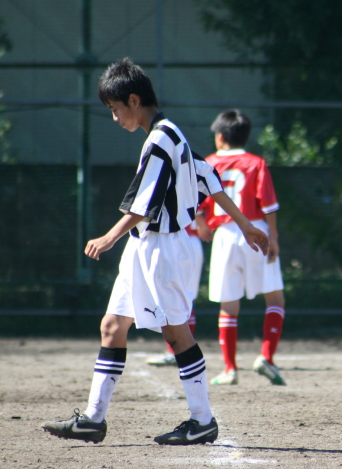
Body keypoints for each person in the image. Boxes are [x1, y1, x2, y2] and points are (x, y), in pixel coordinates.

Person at [41, 58, 268, 445]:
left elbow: (143, 204)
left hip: (164, 249)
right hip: (144, 247)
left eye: (115, 109)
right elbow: (209, 178)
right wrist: (244, 224)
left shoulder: (161, 139)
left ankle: (202, 421)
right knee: (113, 326)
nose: (115, 118)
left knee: (176, 333)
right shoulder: (171, 134)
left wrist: (109, 236)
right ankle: (93, 419)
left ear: (134, 100)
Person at [199, 109, 287, 386]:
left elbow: (195, 201)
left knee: (228, 304)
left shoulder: (209, 163)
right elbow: (268, 205)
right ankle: (266, 358)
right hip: (255, 230)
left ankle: (230, 369)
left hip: (225, 234)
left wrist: (201, 223)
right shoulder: (256, 163)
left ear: (220, 136)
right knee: (275, 298)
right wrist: (273, 237)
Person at [145, 218, 211, 366]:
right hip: (183, 240)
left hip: (180, 239)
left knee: (175, 298)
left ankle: (177, 351)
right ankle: (181, 350)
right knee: (181, 298)